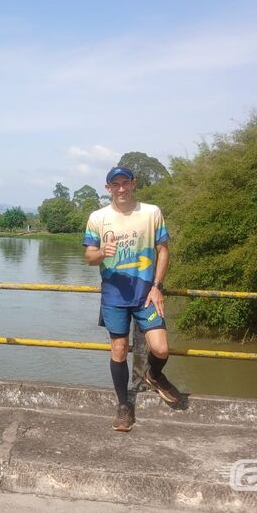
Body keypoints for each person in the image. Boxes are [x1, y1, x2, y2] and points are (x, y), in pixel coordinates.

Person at [83, 166, 179, 432]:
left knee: (160, 348)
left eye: (126, 183)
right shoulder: (98, 217)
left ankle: (153, 374)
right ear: (108, 188)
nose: (121, 188)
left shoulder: (151, 213)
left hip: (145, 294)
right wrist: (102, 251)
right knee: (119, 349)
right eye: (116, 184)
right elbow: (89, 258)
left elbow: (163, 250)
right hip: (113, 295)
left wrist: (157, 286)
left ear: (134, 184)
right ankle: (123, 406)